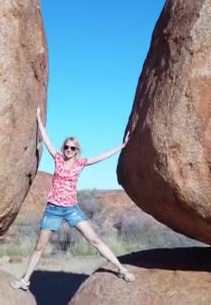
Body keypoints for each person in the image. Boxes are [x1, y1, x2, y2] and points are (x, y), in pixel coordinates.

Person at [10, 107, 135, 290]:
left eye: (72, 148)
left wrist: (121, 146)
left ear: (77, 150)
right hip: (53, 209)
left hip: (71, 209)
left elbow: (101, 157)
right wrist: (38, 119)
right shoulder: (58, 159)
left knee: (95, 240)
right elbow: (46, 140)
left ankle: (121, 270)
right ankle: (25, 280)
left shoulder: (81, 163)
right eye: (66, 147)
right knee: (39, 247)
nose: (68, 149)